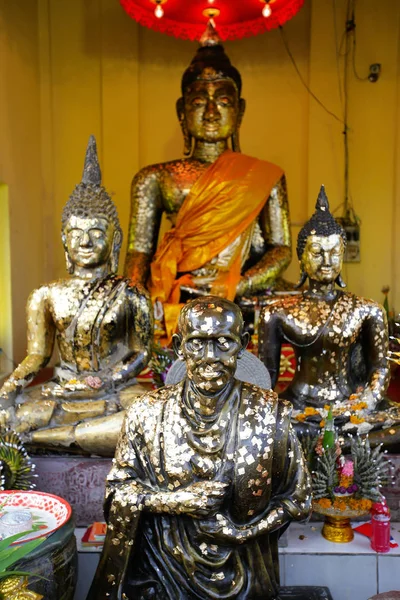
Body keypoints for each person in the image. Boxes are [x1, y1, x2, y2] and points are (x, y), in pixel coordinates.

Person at [87, 296, 311, 599]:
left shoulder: (269, 414)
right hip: (160, 575)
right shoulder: (147, 412)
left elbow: (297, 500)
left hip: (245, 573)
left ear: (242, 344)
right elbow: (117, 492)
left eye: (223, 342)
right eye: (196, 343)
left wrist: (242, 533)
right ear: (179, 345)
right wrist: (175, 501)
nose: (210, 357)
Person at [124, 23, 291, 336]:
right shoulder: (155, 178)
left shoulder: (265, 176)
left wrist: (236, 284)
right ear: (182, 110)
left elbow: (281, 249)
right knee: (126, 309)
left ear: (239, 111)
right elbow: (138, 253)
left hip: (241, 295)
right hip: (179, 292)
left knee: (302, 308)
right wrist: (137, 299)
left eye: (224, 102)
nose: (212, 113)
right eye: (200, 101)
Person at [0, 136, 153, 456]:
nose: (85, 241)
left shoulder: (131, 293)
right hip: (64, 391)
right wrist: (12, 383)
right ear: (64, 238)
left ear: (114, 240)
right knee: (8, 417)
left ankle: (46, 439)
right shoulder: (46, 294)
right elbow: (38, 356)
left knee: (149, 421)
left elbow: (141, 354)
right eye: (76, 232)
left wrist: (109, 379)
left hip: (116, 392)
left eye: (96, 232)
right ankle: (64, 436)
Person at [258, 185, 399, 439]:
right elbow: (266, 376)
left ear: (342, 256)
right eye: (317, 252)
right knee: (275, 433)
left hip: (349, 407)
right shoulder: (277, 313)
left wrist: (364, 403)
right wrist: (261, 409)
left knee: (392, 429)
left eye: (335, 253)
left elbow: (379, 368)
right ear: (301, 257)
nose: (326, 261)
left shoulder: (367, 310)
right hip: (299, 407)